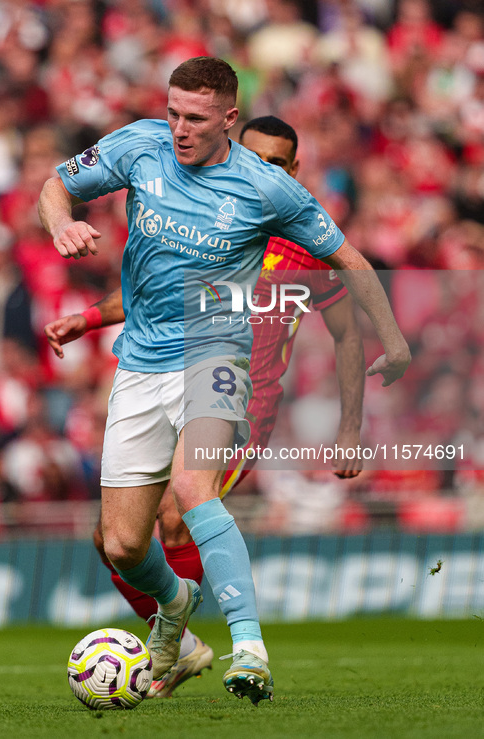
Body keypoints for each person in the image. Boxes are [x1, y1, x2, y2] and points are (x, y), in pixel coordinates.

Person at [38, 57, 410, 706]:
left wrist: (394, 341)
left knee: (189, 491)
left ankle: (249, 647)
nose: (180, 128)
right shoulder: (140, 146)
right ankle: (175, 605)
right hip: (141, 365)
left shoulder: (269, 195)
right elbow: (56, 187)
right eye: (174, 113)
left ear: (227, 120)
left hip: (219, 361)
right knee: (121, 542)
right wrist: (63, 227)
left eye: (196, 118)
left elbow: (349, 262)